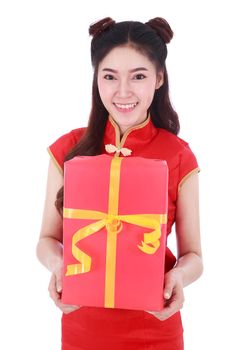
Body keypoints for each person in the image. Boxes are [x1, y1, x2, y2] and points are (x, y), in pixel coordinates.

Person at [36, 16, 203, 350]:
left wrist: (178, 277)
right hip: (81, 323)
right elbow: (47, 239)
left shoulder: (179, 156)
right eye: (109, 76)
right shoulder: (67, 149)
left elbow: (194, 255)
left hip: (155, 326)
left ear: (158, 79)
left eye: (138, 76)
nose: (123, 91)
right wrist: (58, 266)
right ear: (96, 79)